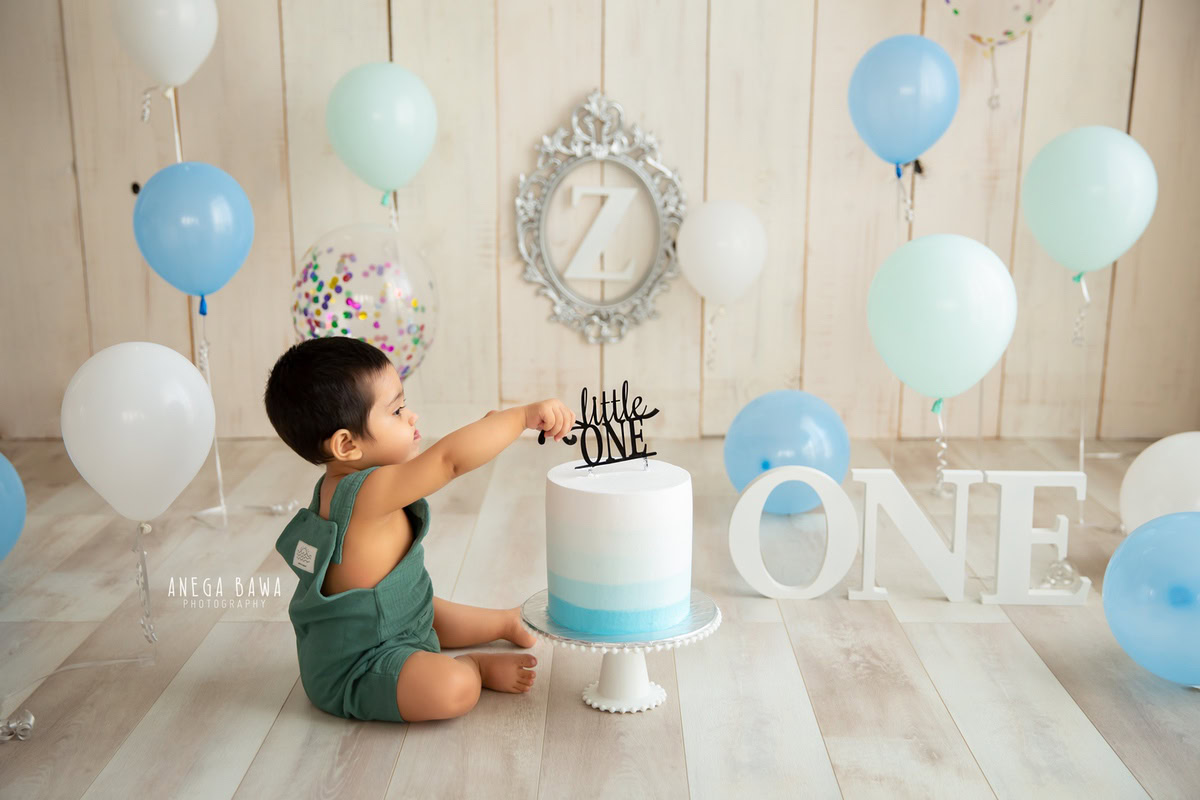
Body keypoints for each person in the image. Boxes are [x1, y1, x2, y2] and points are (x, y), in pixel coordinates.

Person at [263, 336, 576, 722]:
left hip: (395, 620)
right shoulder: (366, 494)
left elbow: (450, 453)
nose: (411, 417)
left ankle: (502, 621)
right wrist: (520, 418)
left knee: (425, 608)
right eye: (396, 412)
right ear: (346, 445)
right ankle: (474, 667)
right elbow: (448, 461)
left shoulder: (348, 481)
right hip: (362, 665)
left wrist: (484, 431)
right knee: (451, 690)